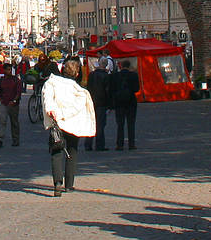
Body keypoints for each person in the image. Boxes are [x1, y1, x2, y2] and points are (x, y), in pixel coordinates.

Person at [42, 59, 96, 196]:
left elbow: (47, 99)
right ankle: (69, 184)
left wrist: (53, 112)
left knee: (57, 152)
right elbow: (82, 106)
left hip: (57, 123)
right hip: (73, 124)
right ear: (77, 74)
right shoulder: (79, 91)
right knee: (72, 152)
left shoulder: (52, 83)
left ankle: (57, 183)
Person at [108, 59, 140, 150]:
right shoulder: (134, 75)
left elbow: (111, 90)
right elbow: (136, 88)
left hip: (119, 102)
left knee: (120, 124)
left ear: (120, 66)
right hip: (131, 101)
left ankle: (119, 144)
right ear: (129, 66)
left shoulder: (115, 76)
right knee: (131, 123)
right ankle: (131, 143)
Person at [0, 63, 23, 147]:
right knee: (2, 121)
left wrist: (14, 100)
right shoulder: (2, 80)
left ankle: (15, 139)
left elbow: (18, 92)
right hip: (4, 103)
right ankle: (0, 138)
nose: (9, 71)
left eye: (10, 69)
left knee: (14, 122)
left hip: (13, 104)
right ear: (4, 70)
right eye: (8, 69)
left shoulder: (16, 80)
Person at [84, 59, 110, 151]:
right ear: (106, 65)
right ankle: (99, 145)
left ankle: (88, 144)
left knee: (91, 123)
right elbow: (108, 91)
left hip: (92, 101)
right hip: (102, 102)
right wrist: (109, 104)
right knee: (100, 124)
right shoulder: (106, 76)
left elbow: (88, 87)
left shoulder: (92, 75)